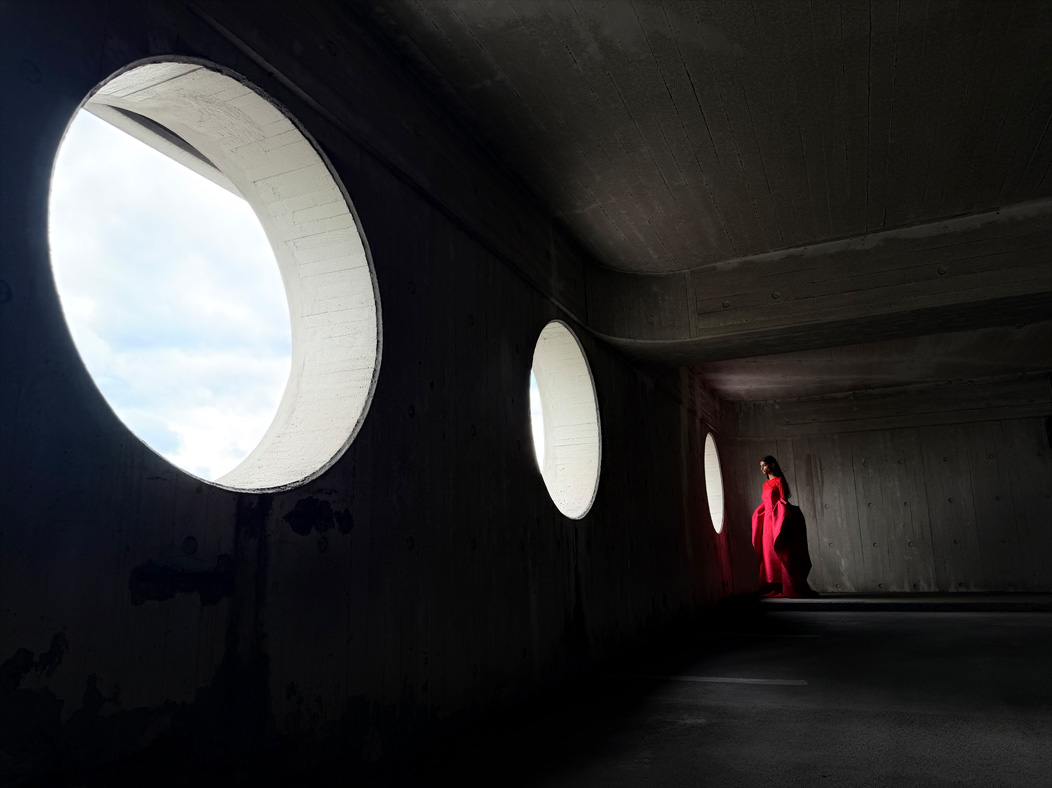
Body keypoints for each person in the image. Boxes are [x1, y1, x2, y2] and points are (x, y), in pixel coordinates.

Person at [751, 455, 817, 598]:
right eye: (760, 466)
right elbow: (766, 503)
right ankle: (774, 587)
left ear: (772, 465)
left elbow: (783, 501)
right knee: (768, 555)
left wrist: (781, 521)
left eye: (764, 465)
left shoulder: (779, 481)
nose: (762, 469)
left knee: (780, 553)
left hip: (778, 521)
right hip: (767, 523)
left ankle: (785, 588)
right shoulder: (764, 485)